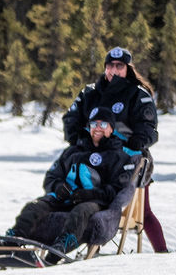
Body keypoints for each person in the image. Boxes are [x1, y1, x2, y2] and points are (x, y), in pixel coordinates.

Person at [60, 45, 165, 252]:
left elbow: (148, 128)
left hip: (127, 161)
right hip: (91, 158)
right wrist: (78, 138)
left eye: (119, 66)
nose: (113, 70)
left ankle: (163, 254)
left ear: (128, 69)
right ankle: (60, 242)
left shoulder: (138, 95)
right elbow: (71, 119)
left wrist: (134, 143)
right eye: (110, 66)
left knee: (143, 213)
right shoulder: (90, 93)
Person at [10, 110, 138, 253]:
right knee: (34, 207)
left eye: (103, 124)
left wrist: (91, 194)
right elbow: (52, 176)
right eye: (94, 124)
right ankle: (13, 240)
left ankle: (61, 247)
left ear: (111, 129)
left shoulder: (118, 156)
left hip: (96, 203)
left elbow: (117, 189)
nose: (98, 128)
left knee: (81, 211)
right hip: (65, 199)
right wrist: (58, 186)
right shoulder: (73, 151)